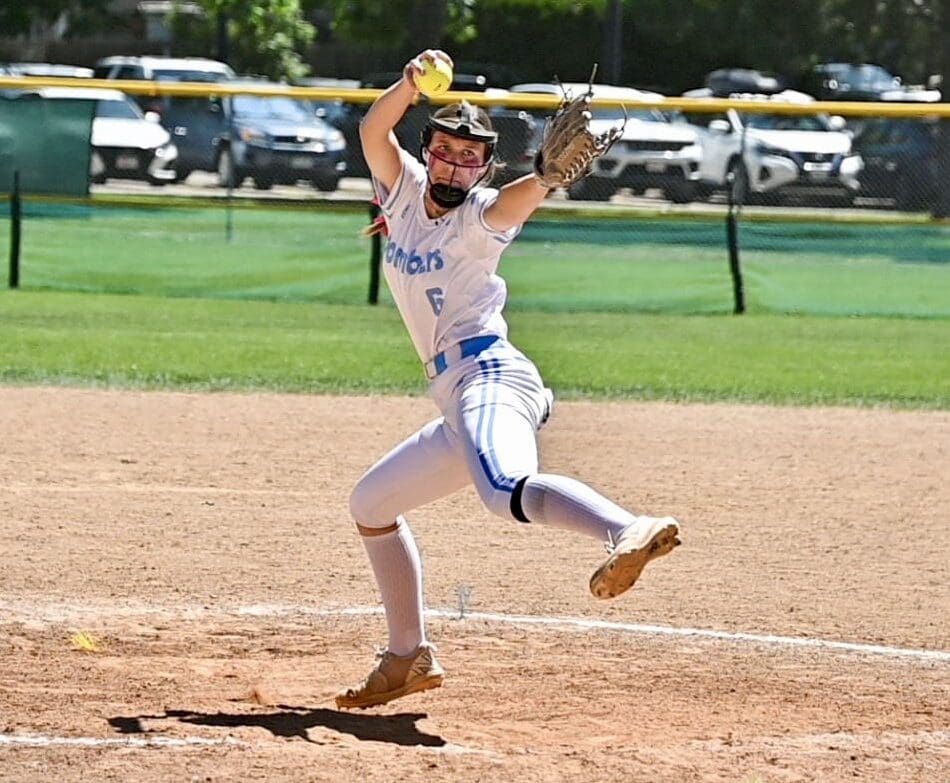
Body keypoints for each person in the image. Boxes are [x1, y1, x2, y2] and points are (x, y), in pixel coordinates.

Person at [336, 49, 681, 710]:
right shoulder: (403, 191)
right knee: (371, 504)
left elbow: (514, 206)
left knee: (503, 492)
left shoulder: (480, 216)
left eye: (471, 156)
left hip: (491, 377)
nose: (455, 162)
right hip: (458, 396)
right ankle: (407, 656)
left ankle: (625, 529)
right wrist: (409, 83)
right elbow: (372, 133)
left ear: (485, 168)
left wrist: (545, 178)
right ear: (428, 151)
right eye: (445, 149)